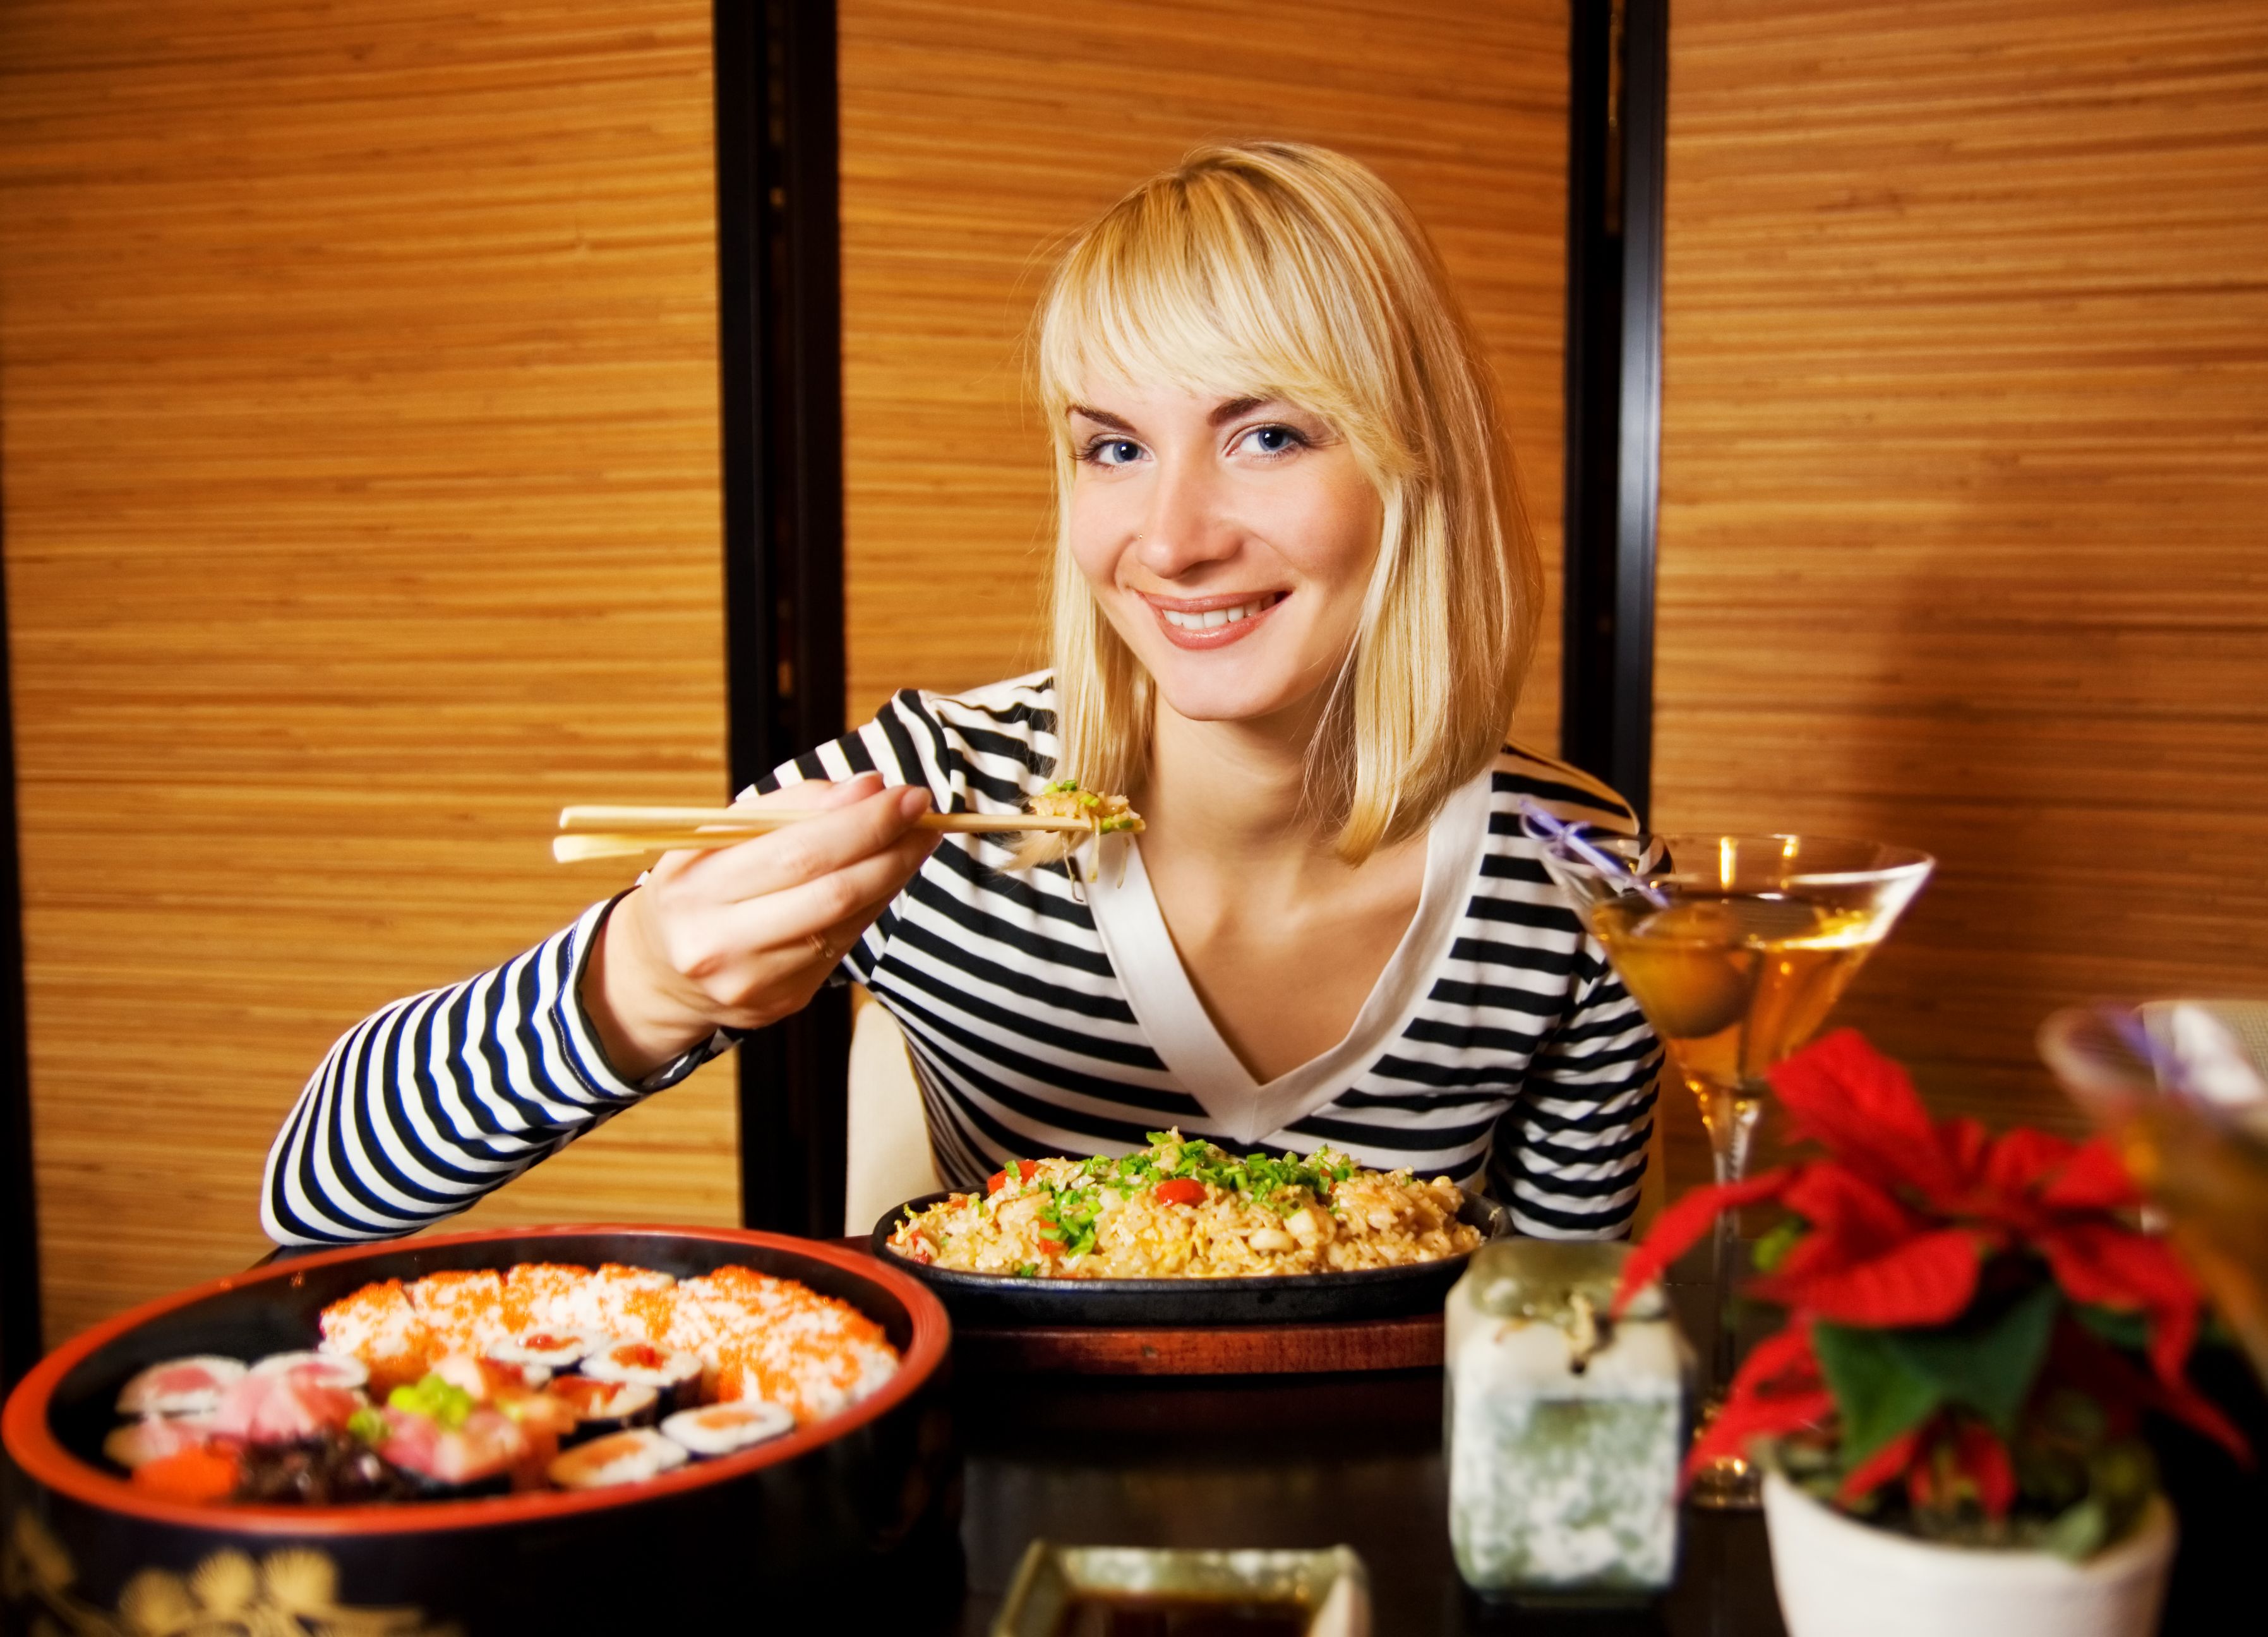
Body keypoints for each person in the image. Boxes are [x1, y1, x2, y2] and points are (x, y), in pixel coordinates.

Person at [261, 141, 1658, 1247]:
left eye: (1267, 434)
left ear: (1419, 467)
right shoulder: (939, 794)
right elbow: (313, 1191)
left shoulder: (1580, 879)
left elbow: (1564, 1348)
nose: (1167, 539)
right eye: (1110, 448)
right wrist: (639, 978)